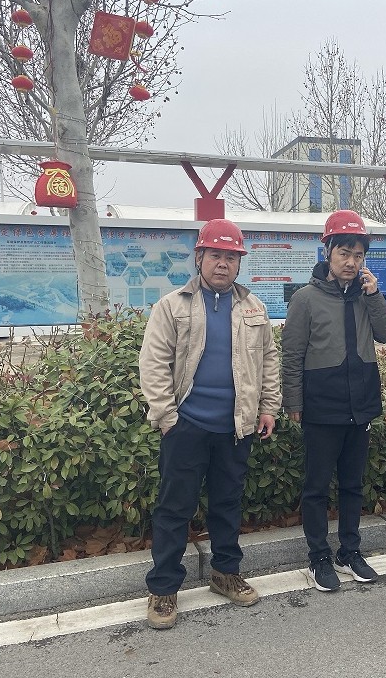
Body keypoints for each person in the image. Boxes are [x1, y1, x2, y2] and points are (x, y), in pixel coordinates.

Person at [139, 218, 281, 629]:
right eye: (216, 255)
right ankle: (164, 587)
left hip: (235, 427)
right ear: (199, 258)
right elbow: (153, 363)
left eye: (231, 257)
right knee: (174, 507)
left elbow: (268, 360)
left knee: (227, 503)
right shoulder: (172, 306)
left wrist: (268, 407)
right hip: (187, 426)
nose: (223, 263)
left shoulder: (253, 307)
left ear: (239, 264)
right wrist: (168, 418)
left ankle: (225, 573)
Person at [281, 210, 386, 592]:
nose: (351, 262)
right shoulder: (305, 299)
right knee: (316, 487)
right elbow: (292, 354)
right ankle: (319, 556)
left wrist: (374, 295)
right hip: (321, 405)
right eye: (344, 253)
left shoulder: (366, 297)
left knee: (352, 485)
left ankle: (350, 551)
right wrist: (293, 402)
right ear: (327, 252)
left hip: (359, 404)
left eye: (358, 255)